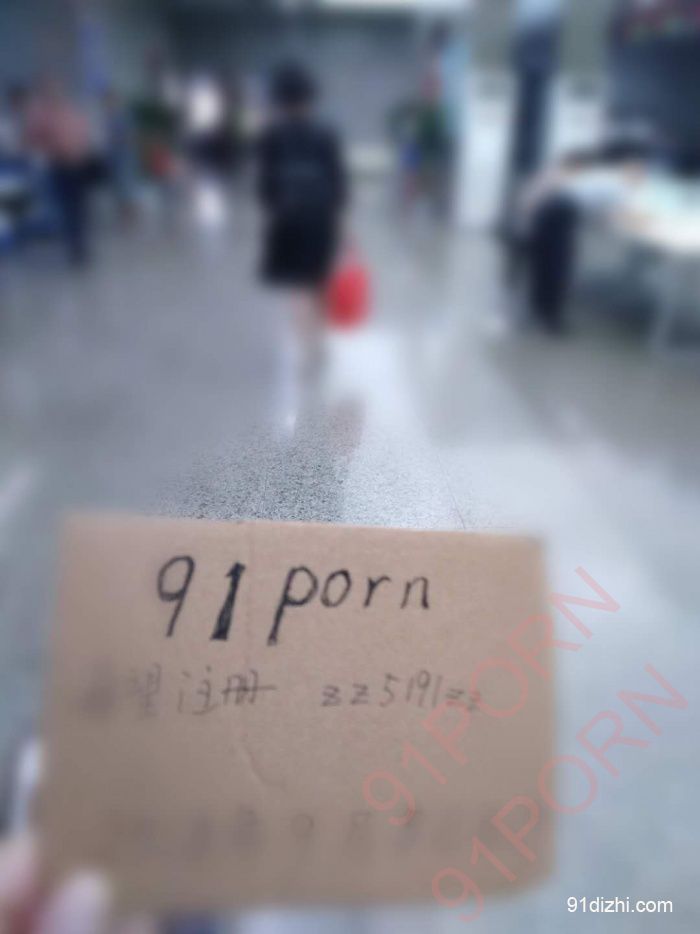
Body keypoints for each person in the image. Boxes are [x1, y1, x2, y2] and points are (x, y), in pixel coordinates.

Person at [257, 62, 347, 370]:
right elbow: (338, 183)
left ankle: (306, 350)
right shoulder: (327, 134)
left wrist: (274, 212)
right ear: (310, 97)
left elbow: (265, 186)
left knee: (298, 287)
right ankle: (320, 344)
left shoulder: (271, 136)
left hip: (287, 217)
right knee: (320, 282)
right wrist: (341, 224)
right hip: (320, 218)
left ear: (280, 100)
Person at [25, 78, 93, 265]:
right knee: (68, 210)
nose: (55, 93)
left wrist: (81, 150)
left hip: (79, 165)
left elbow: (83, 134)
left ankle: (81, 246)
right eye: (50, 90)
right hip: (60, 166)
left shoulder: (71, 111)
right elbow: (33, 137)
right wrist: (52, 148)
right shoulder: (42, 115)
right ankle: (75, 248)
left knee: (81, 209)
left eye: (57, 89)